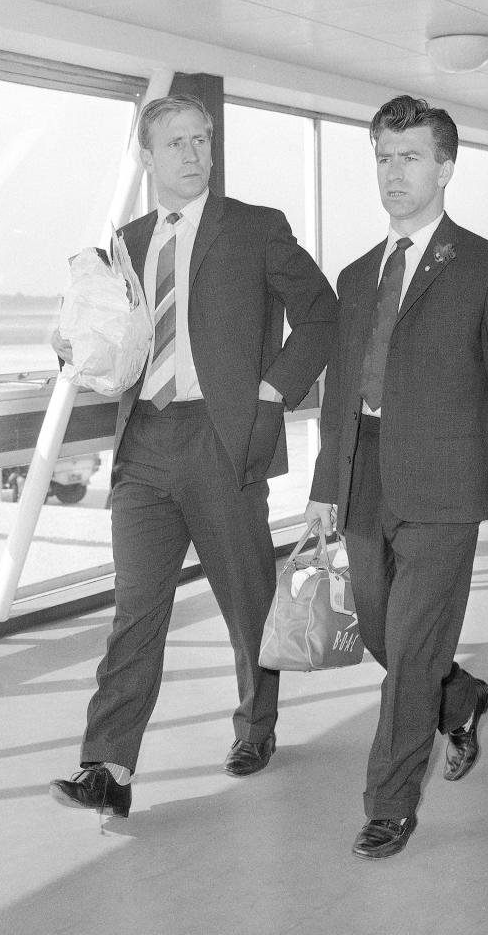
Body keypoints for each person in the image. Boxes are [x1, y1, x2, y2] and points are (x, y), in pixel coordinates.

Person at [50, 93, 337, 818]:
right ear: (146, 158)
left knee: (246, 603)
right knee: (135, 609)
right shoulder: (128, 239)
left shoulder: (255, 228)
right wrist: (78, 348)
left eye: (201, 139)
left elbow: (323, 315)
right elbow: (119, 336)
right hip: (144, 439)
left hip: (224, 436)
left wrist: (273, 391)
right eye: (175, 143)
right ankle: (107, 767)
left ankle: (256, 725)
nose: (193, 153)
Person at [305, 95, 488, 860]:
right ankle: (462, 698)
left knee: (412, 649)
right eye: (384, 157)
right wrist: (326, 488)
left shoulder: (487, 267)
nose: (393, 172)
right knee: (388, 635)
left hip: (443, 487)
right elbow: (338, 395)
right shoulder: (357, 275)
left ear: (446, 167)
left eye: (410, 157)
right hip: (362, 482)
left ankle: (388, 802)